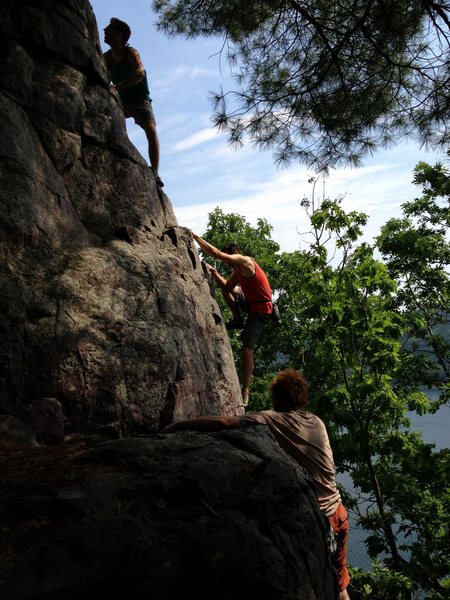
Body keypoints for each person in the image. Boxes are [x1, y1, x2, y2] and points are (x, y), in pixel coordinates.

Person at [163, 369, 351, 599]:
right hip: (339, 513)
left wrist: (176, 426)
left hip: (319, 519)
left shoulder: (271, 418)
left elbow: (224, 422)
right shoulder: (316, 421)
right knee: (340, 586)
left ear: (277, 397)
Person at [191, 232, 273, 405]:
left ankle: (245, 389)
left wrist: (195, 237)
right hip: (250, 303)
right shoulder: (237, 271)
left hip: (261, 310)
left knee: (246, 349)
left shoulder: (245, 261)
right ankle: (237, 319)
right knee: (226, 291)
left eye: (230, 258)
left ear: (235, 252)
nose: (228, 262)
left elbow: (218, 255)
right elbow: (227, 287)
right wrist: (213, 273)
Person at [103, 17, 163, 187]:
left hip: (140, 101)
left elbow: (139, 73)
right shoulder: (105, 58)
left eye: (109, 28)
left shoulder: (131, 53)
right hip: (121, 102)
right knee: (110, 121)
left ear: (119, 34)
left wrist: (117, 87)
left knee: (151, 130)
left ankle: (155, 173)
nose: (104, 31)